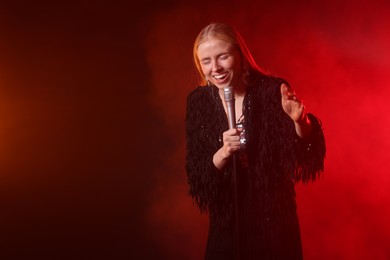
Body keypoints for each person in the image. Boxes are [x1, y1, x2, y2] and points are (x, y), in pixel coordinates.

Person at [185, 22, 326, 260]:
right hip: (227, 225)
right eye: (206, 61)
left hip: (273, 224)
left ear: (240, 55)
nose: (215, 68)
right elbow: (197, 177)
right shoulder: (199, 103)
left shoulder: (271, 91)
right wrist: (223, 153)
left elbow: (304, 157)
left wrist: (300, 122)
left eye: (222, 57)